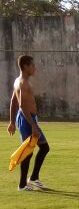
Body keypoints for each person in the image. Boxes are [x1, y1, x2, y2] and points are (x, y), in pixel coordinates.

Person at [7, 55, 50, 191]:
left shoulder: (18, 81)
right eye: (32, 65)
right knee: (34, 150)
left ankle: (32, 179)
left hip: (27, 118)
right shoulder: (23, 83)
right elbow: (21, 105)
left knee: (38, 149)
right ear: (25, 67)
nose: (34, 68)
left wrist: (12, 122)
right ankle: (24, 184)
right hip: (27, 119)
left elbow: (13, 101)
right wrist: (33, 125)